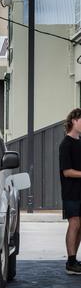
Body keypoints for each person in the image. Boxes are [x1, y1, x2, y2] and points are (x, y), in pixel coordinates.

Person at [59, 108, 81, 274]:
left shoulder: (80, 142)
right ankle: (70, 261)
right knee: (74, 223)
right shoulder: (65, 144)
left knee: (80, 226)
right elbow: (67, 172)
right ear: (74, 120)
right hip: (71, 192)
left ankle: (74, 261)